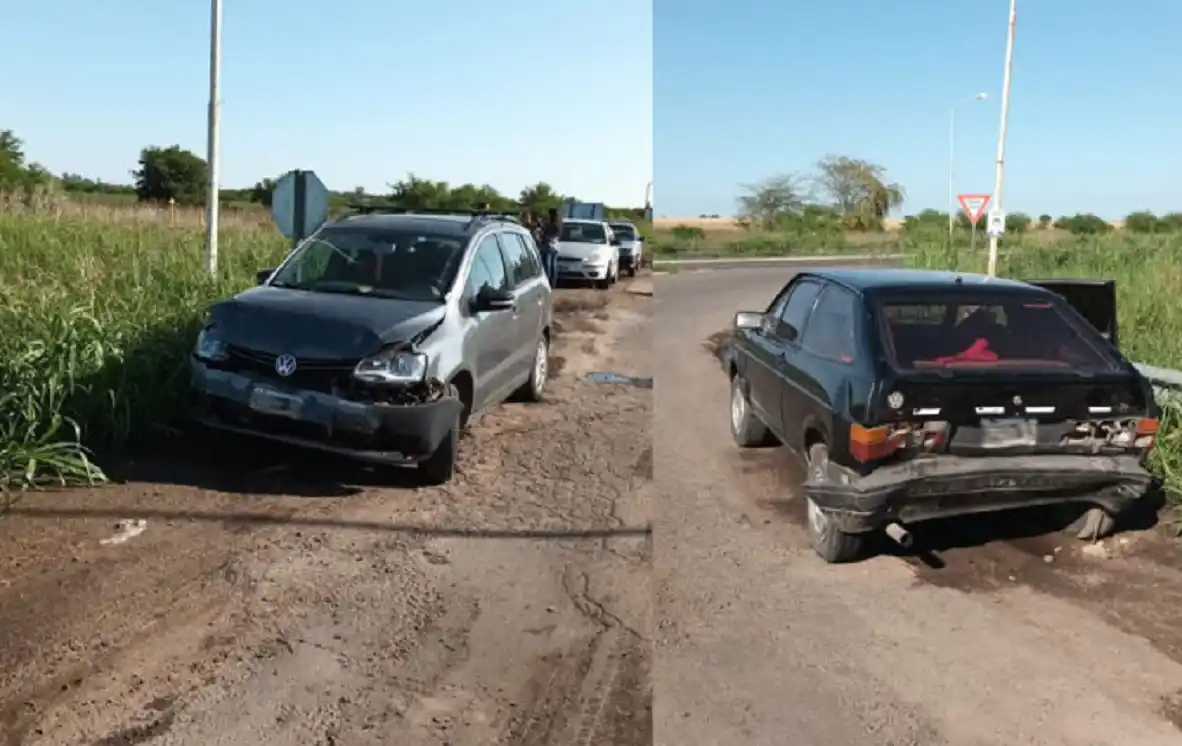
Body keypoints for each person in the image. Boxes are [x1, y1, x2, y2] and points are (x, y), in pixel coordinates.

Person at [538, 207, 562, 286]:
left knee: (547, 266)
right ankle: (553, 283)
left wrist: (542, 233)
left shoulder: (551, 224)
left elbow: (545, 234)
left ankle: (547, 283)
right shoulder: (559, 223)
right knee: (553, 266)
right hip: (555, 246)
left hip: (548, 245)